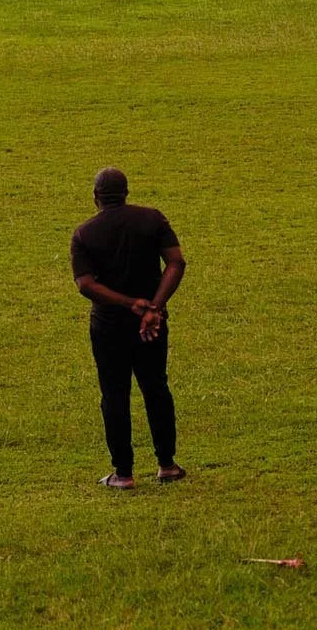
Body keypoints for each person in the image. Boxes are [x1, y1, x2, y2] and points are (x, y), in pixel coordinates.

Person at [70, 167, 186, 489]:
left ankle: (123, 473)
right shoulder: (152, 219)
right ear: (126, 193)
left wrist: (126, 303)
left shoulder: (84, 234)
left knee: (114, 396)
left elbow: (85, 285)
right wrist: (153, 307)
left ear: (95, 197)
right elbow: (176, 262)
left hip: (108, 327)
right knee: (156, 389)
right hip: (151, 325)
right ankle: (167, 464)